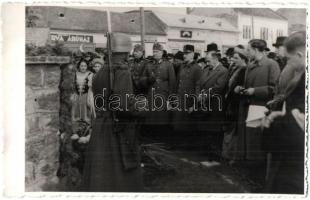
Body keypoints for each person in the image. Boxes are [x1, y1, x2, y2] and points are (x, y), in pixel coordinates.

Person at [81, 33, 143, 192]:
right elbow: (122, 106)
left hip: (101, 124)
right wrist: (138, 109)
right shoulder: (121, 71)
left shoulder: (101, 71)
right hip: (116, 127)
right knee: (118, 173)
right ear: (125, 52)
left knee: (100, 169)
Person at [261, 31, 305, 194]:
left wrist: (272, 124)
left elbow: (298, 119)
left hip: (295, 160)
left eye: (289, 59)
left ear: (300, 55)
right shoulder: (301, 75)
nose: (289, 63)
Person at [234, 39, 280, 162]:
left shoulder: (272, 64)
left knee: (257, 141)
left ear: (255, 49)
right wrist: (241, 88)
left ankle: (256, 170)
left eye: (248, 50)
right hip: (248, 107)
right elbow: (247, 84)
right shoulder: (250, 65)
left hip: (261, 108)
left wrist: (255, 91)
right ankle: (248, 167)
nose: (247, 52)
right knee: (249, 140)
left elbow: (274, 88)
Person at [196, 42, 228, 159]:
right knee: (205, 128)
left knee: (214, 129)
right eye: (206, 61)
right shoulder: (206, 69)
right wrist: (198, 94)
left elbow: (218, 87)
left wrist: (203, 96)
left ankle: (215, 153)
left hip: (215, 104)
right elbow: (199, 83)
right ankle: (207, 151)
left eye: (209, 61)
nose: (207, 63)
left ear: (215, 59)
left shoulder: (223, 71)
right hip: (204, 103)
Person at [140, 42, 176, 139]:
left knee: (162, 117)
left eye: (157, 52)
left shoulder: (168, 65)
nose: (155, 53)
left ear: (162, 52)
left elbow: (172, 83)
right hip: (151, 95)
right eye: (154, 51)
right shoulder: (148, 65)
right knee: (152, 117)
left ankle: (163, 138)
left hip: (163, 95)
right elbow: (142, 80)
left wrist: (170, 99)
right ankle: (152, 138)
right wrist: (148, 80)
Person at [173, 44, 202, 148]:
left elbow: (198, 87)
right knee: (178, 123)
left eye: (187, 53)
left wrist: (194, 104)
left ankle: (188, 147)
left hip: (189, 100)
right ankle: (179, 145)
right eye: (184, 53)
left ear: (193, 54)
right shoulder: (182, 66)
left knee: (188, 124)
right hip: (180, 99)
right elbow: (177, 83)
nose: (184, 55)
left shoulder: (197, 68)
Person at [221, 47, 248, 163]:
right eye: (233, 58)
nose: (233, 60)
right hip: (230, 102)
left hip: (237, 103)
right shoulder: (235, 69)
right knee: (229, 129)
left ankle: (232, 156)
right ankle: (227, 154)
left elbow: (240, 87)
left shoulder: (244, 70)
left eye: (236, 58)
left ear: (243, 59)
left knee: (234, 130)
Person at [71, 59, 93, 123]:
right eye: (81, 66)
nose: (83, 67)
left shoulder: (90, 74)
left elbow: (91, 87)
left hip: (86, 95)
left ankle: (86, 125)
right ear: (79, 66)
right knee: (75, 106)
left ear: (87, 67)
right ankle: (76, 126)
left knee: (86, 108)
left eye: (85, 66)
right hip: (76, 94)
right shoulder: (75, 74)